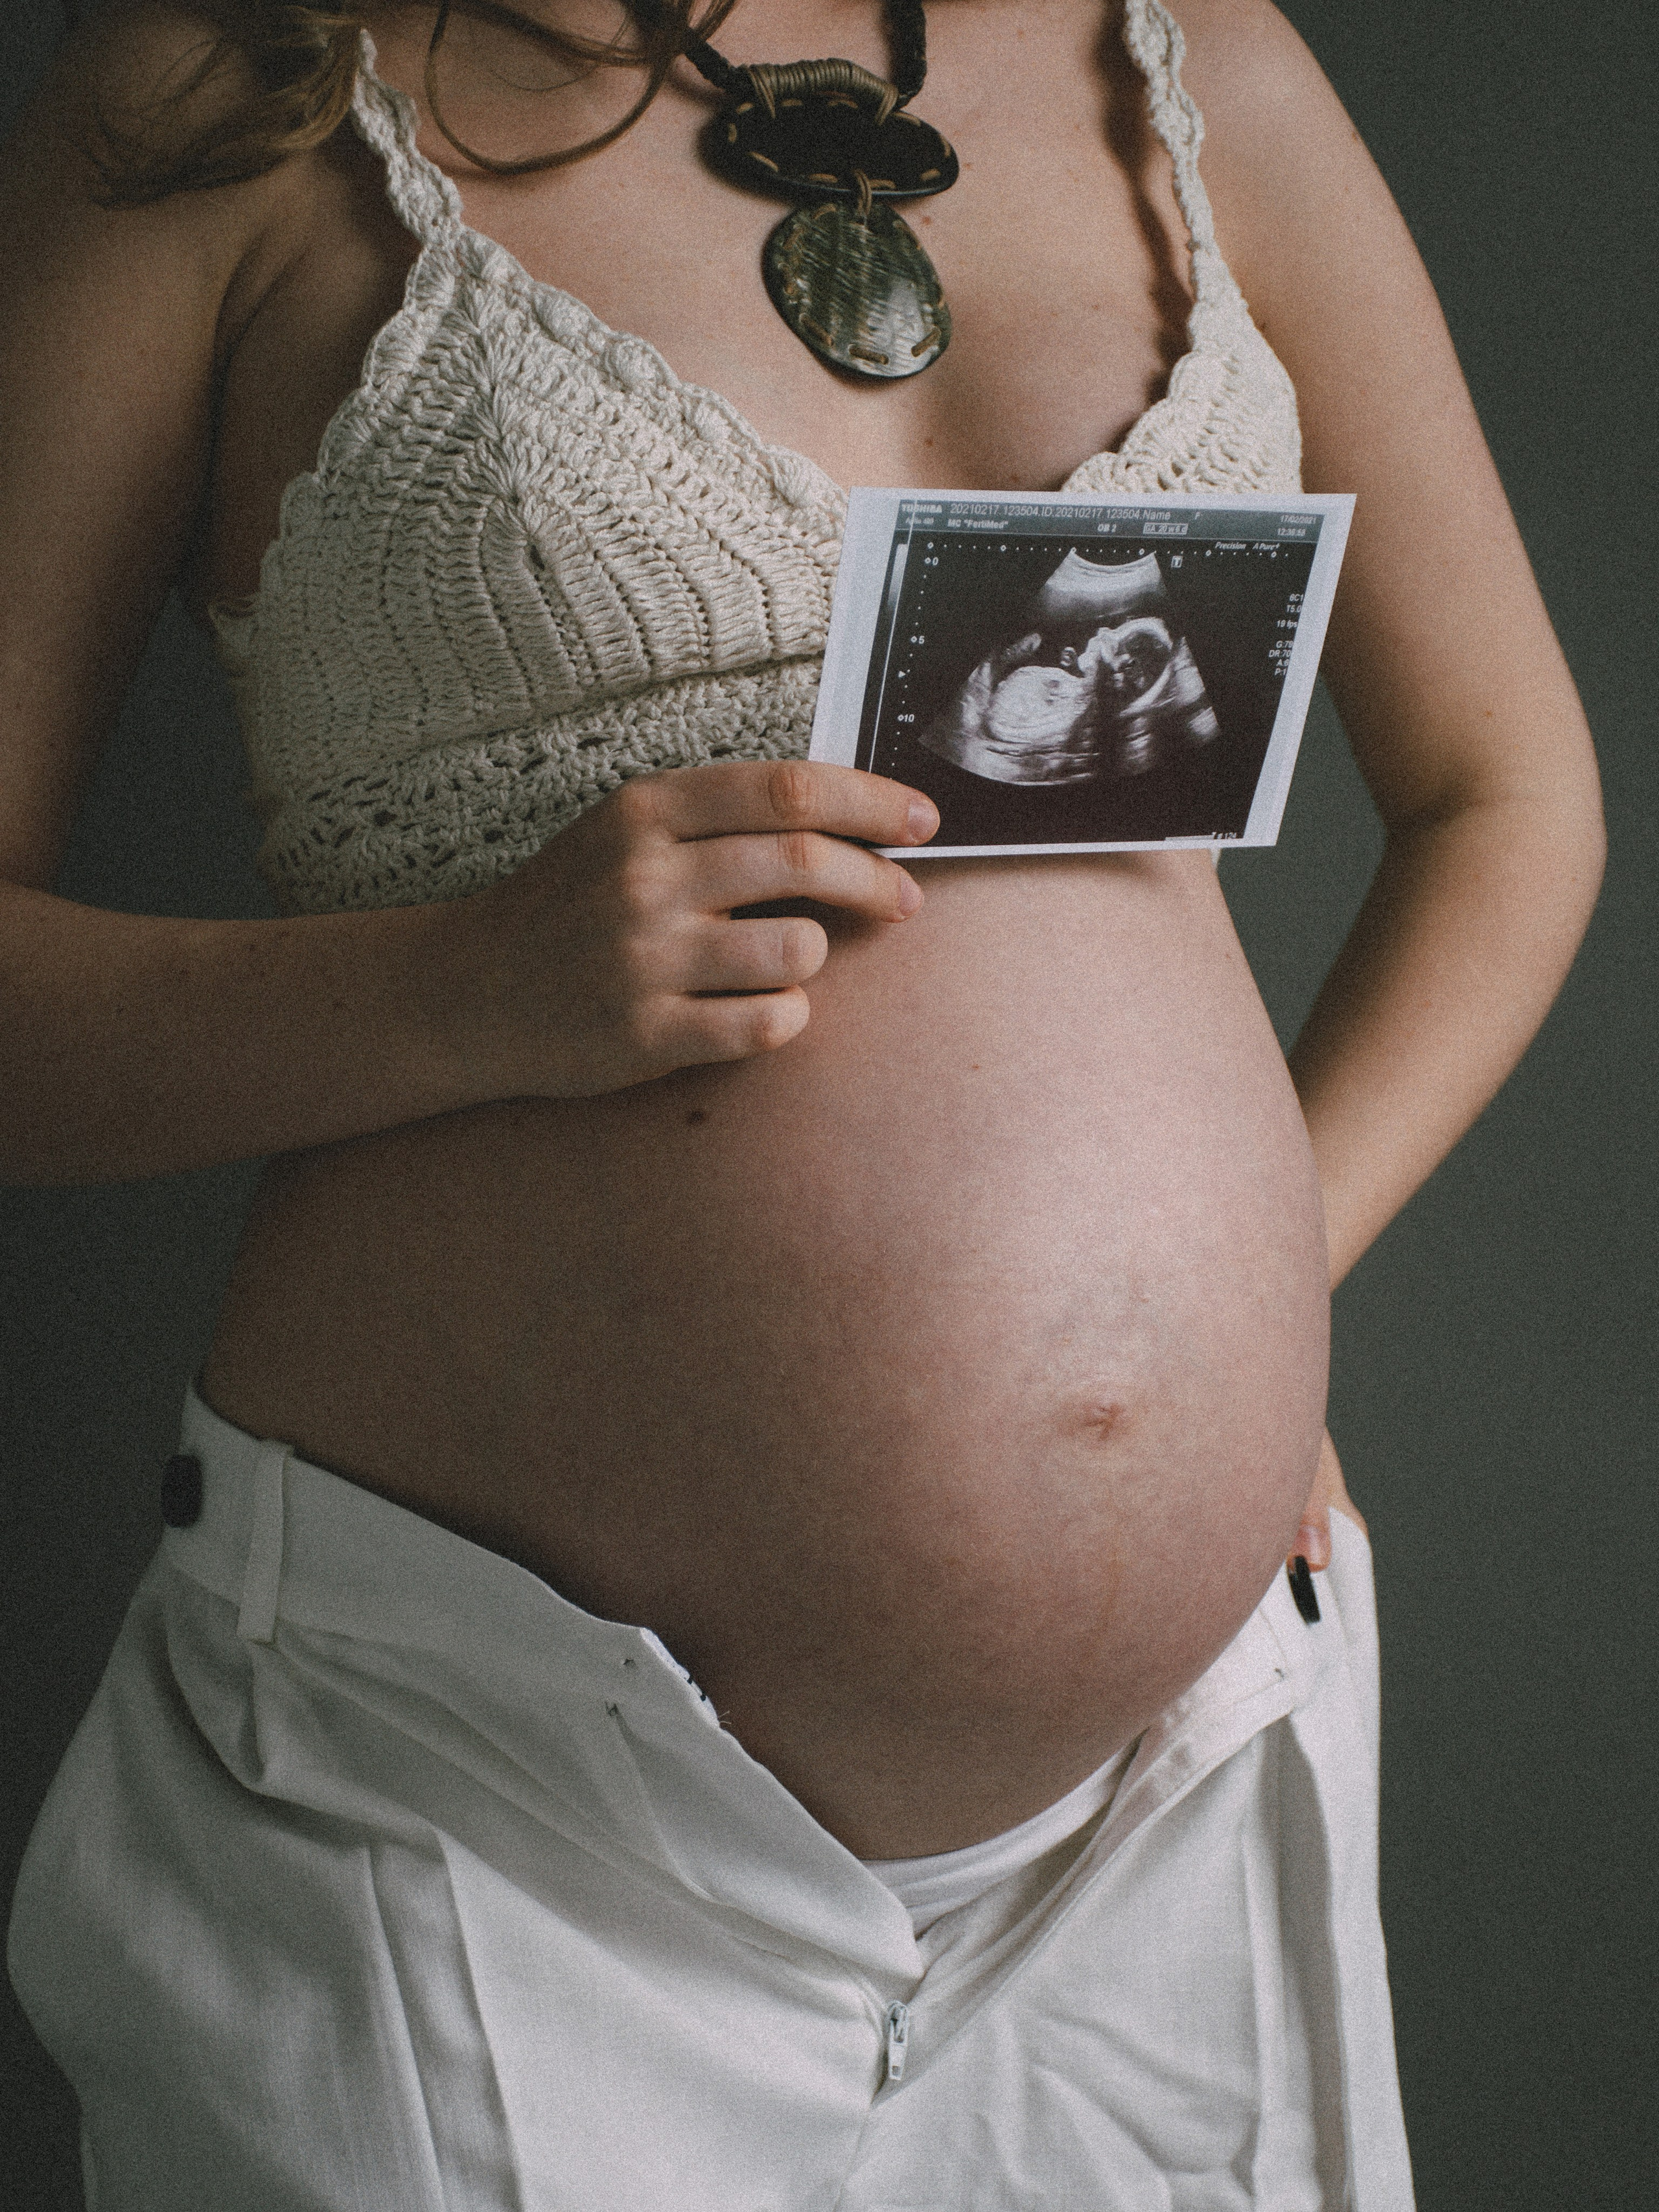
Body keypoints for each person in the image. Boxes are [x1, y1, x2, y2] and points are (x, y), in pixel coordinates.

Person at [0, 0, 1604, 2205]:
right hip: (473, 1796)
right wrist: (459, 991)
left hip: (1167, 1802)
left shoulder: (1199, 57)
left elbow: (1510, 797)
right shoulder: (227, 89)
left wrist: (1253, 1291)